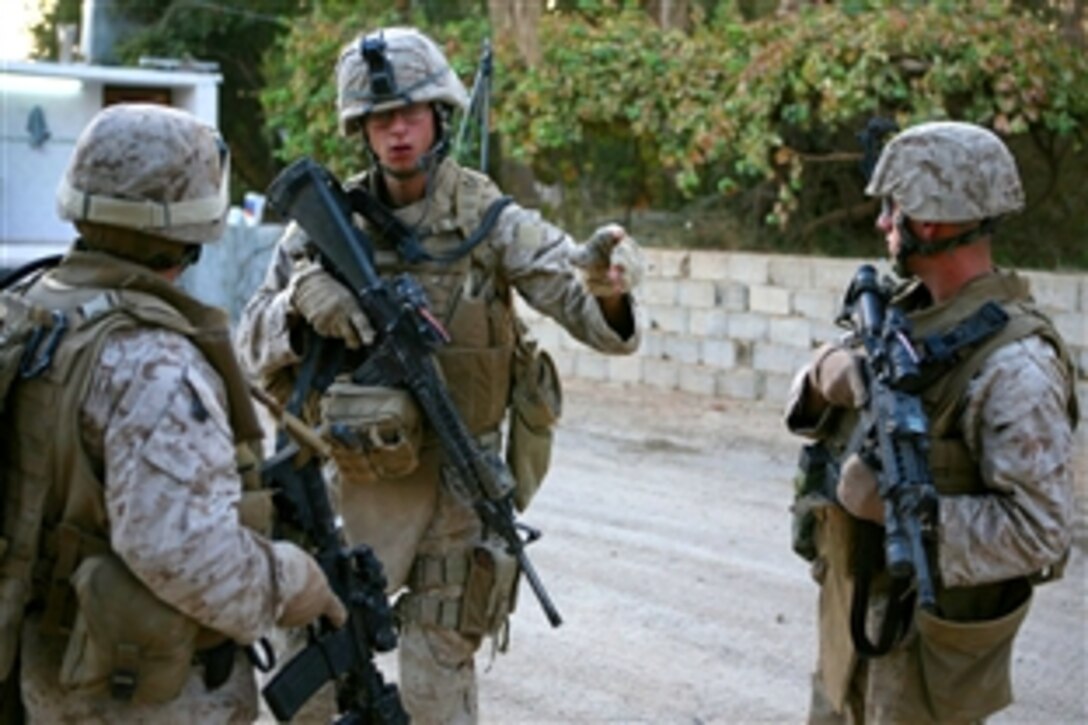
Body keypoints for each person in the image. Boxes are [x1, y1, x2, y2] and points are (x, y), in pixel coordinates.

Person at [236, 26, 643, 724]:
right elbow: (248, 343)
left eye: (411, 115)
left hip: (457, 490)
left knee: (434, 687)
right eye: (380, 119)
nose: (397, 132)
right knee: (314, 685)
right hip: (345, 484)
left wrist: (608, 285)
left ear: (440, 117)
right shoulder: (323, 226)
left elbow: (593, 318)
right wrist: (299, 309)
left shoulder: (488, 219)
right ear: (360, 130)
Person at [0, 103, 347, 723]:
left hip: (42, 665)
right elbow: (182, 551)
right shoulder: (152, 361)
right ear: (192, 230)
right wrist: (292, 580)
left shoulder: (31, 308)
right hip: (133, 690)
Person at [784, 120, 1079, 724]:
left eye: (893, 210)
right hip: (850, 645)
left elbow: (1041, 531)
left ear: (933, 219)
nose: (882, 225)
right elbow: (814, 398)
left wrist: (896, 512)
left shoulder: (1014, 367)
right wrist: (824, 372)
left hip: (922, 674)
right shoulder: (907, 313)